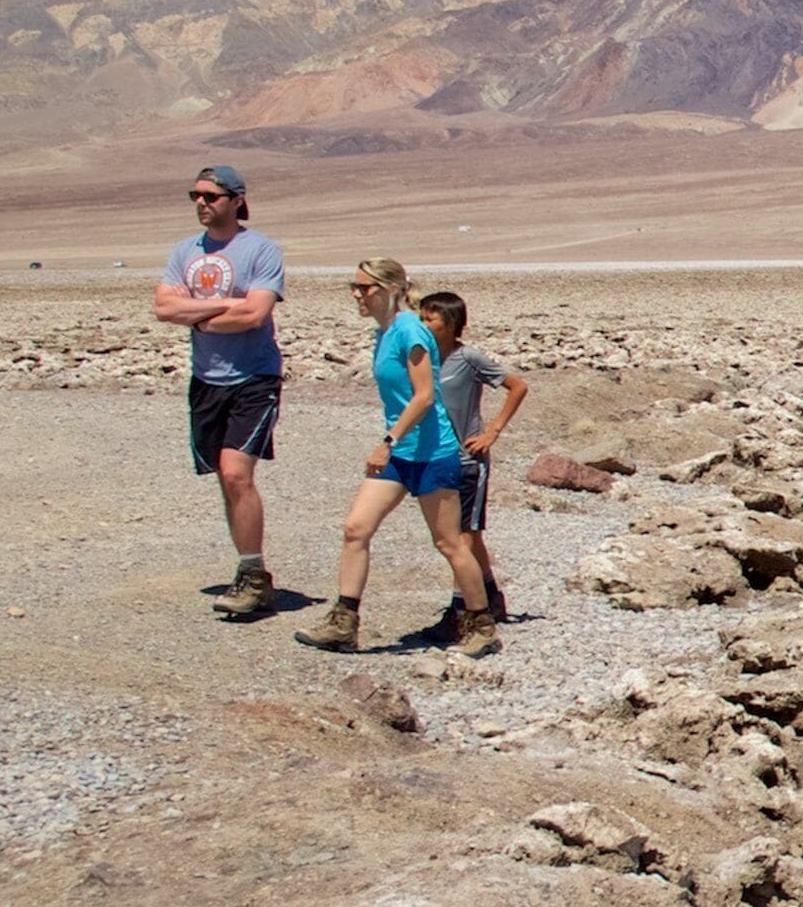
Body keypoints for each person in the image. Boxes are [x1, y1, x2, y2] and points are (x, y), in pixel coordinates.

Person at [297, 258, 498, 656]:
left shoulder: (410, 330)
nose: (357, 295)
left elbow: (424, 397)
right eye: (353, 287)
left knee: (450, 543)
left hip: (431, 452)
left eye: (365, 288)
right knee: (356, 529)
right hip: (400, 453)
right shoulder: (385, 332)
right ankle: (343, 622)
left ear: (391, 290)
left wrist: (387, 441)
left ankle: (481, 626)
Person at [149, 165, 285, 619]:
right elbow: (163, 307)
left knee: (235, 473)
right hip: (207, 379)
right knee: (226, 481)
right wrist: (225, 304)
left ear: (237, 200)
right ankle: (248, 569)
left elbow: (254, 315)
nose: (202, 203)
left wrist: (199, 318)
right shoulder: (184, 251)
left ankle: (254, 577)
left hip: (254, 378)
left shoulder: (260, 249)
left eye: (211, 196)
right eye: (196, 196)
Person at [416, 289, 528, 636]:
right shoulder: (423, 359)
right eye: (421, 318)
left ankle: (461, 610)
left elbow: (517, 387)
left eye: (430, 318)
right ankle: (491, 598)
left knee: (461, 537)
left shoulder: (468, 358)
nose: (423, 324)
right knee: (469, 535)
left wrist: (492, 431)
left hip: (468, 459)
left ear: (451, 323)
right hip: (437, 456)